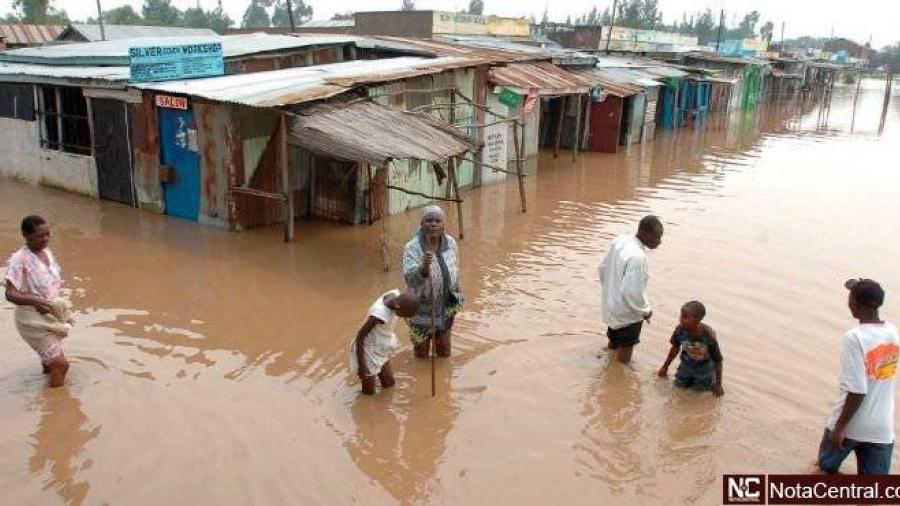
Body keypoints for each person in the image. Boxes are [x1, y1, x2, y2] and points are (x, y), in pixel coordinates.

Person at [818, 278, 898, 475]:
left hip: (850, 425)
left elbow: (857, 391)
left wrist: (839, 428)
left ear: (855, 304)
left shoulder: (854, 338)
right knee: (873, 490)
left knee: (823, 474)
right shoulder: (892, 332)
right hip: (881, 430)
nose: (848, 301)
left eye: (850, 297)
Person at [4, 215, 71, 387]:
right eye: (40, 236)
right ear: (25, 235)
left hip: (48, 314)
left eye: (47, 234)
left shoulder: (46, 252)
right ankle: (54, 400)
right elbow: (10, 294)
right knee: (60, 365)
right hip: (31, 321)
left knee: (51, 363)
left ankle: (47, 378)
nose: (45, 239)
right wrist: (35, 300)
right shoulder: (19, 260)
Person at [599, 215, 663, 364]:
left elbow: (602, 268)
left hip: (611, 306)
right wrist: (645, 311)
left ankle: (607, 364)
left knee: (613, 341)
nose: (659, 242)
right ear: (645, 233)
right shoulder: (638, 257)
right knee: (625, 354)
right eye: (657, 237)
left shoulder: (620, 241)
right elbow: (632, 292)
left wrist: (610, 293)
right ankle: (617, 376)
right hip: (627, 315)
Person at [402, 205, 464, 358]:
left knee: (444, 351)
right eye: (429, 220)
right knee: (421, 353)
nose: (433, 224)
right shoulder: (412, 247)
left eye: (438, 220)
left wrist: (457, 292)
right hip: (420, 309)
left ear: (443, 224)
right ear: (422, 224)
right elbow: (410, 280)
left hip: (445, 307)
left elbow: (455, 268)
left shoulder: (451, 243)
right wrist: (423, 267)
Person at [350, 290, 420, 395]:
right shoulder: (378, 315)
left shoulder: (395, 294)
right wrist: (362, 366)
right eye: (404, 315)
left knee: (389, 383)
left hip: (380, 347)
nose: (404, 318)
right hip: (367, 350)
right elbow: (360, 337)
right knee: (369, 393)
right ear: (397, 307)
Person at [658, 301, 724, 396]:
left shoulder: (708, 336)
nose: (681, 319)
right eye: (681, 316)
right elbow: (675, 348)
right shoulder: (680, 330)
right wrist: (665, 367)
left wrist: (718, 384)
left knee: (700, 393)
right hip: (686, 364)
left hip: (704, 369)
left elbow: (717, 360)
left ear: (697, 320)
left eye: (685, 317)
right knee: (678, 388)